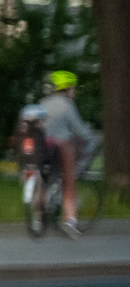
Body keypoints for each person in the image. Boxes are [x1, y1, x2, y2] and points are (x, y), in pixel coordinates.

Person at [38, 71, 97, 238]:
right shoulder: (66, 105)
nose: (74, 92)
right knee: (69, 181)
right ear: (68, 88)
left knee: (44, 179)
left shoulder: (43, 102)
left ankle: (39, 215)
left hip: (43, 148)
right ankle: (70, 222)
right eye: (73, 88)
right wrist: (88, 137)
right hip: (61, 147)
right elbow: (80, 131)